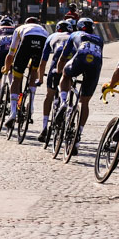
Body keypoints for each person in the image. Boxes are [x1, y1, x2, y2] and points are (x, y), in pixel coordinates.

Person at [48, 17, 105, 155]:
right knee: (84, 102)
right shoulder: (99, 39)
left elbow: (63, 56)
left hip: (80, 57)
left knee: (66, 76)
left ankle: (63, 102)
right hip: (95, 65)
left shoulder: (74, 34)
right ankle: (78, 134)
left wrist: (59, 71)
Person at [2, 17, 49, 128]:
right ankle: (31, 105)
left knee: (16, 78)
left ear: (25, 23)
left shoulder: (20, 28)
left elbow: (11, 54)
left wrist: (6, 68)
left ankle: (13, 111)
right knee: (34, 71)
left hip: (26, 42)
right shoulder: (44, 31)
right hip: (41, 42)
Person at [35, 20, 73, 142]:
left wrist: (40, 78)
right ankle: (67, 110)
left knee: (49, 96)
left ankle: (44, 128)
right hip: (71, 66)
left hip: (55, 67)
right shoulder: (74, 36)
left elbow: (43, 61)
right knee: (68, 89)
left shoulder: (52, 37)